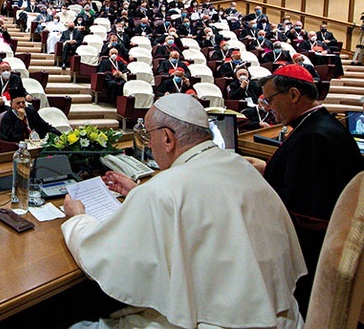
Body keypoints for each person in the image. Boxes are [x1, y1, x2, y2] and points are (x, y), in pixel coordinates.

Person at [61, 94, 306, 329]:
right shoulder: (241, 167)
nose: (149, 142)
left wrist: (78, 218)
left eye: (149, 135)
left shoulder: (162, 190)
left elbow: (103, 256)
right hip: (282, 317)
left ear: (168, 138)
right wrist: (137, 192)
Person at [252, 64, 364, 315]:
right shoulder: (319, 124)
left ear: (293, 95)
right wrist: (267, 170)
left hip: (312, 254)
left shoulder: (312, 137)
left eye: (270, 99)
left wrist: (256, 184)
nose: (268, 107)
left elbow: (304, 209)